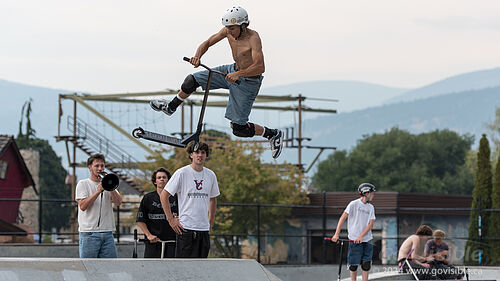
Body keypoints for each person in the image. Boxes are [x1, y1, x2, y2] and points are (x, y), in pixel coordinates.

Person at [150, 6, 284, 159]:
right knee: (191, 81)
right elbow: (207, 43)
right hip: (230, 71)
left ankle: (273, 134)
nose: (229, 32)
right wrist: (197, 56)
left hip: (247, 82)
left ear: (243, 25)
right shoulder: (227, 31)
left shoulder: (253, 38)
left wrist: (239, 74)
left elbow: (260, 66)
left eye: (232, 28)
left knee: (239, 129)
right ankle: (170, 107)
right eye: (227, 28)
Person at [160, 142, 219, 258]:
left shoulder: (210, 175)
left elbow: (213, 198)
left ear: (206, 155)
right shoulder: (182, 173)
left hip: (203, 229)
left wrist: (210, 221)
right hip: (186, 229)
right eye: (197, 152)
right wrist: (170, 219)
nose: (200, 155)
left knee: (201, 268)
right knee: (183, 268)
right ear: (191, 155)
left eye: (203, 152)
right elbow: (164, 195)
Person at [75, 154, 122, 258]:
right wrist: (98, 191)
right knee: (89, 268)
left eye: (102, 166)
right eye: (96, 166)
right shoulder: (83, 184)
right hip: (89, 234)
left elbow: (118, 202)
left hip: (107, 232)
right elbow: (83, 206)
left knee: (111, 268)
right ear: (90, 167)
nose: (100, 169)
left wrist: (111, 187)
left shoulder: (108, 184)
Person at [331, 183, 377, 281]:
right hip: (354, 239)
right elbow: (342, 218)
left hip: (367, 239)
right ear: (366, 193)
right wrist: (336, 234)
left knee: (366, 264)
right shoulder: (353, 204)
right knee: (353, 265)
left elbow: (370, 225)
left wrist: (361, 236)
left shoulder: (371, 207)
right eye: (372, 193)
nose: (373, 195)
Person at [136, 167, 178, 258]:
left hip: (172, 242)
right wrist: (149, 235)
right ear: (155, 181)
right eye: (159, 178)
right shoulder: (148, 198)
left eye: (164, 177)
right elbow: (140, 219)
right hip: (153, 242)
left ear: (168, 180)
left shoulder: (176, 198)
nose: (162, 179)